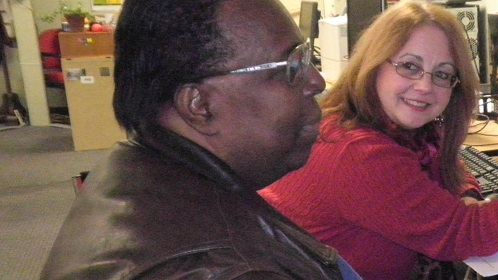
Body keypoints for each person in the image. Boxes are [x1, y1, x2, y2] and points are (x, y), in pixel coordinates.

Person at [258, 2, 498, 279]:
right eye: (409, 66)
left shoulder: (399, 133)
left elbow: (448, 167)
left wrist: (468, 193)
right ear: (373, 66)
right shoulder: (358, 153)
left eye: (443, 74)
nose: (425, 86)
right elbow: (466, 235)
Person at [39, 0, 361, 279]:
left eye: (305, 57)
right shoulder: (224, 270)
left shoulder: (135, 165)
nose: (316, 81)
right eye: (290, 66)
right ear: (200, 106)